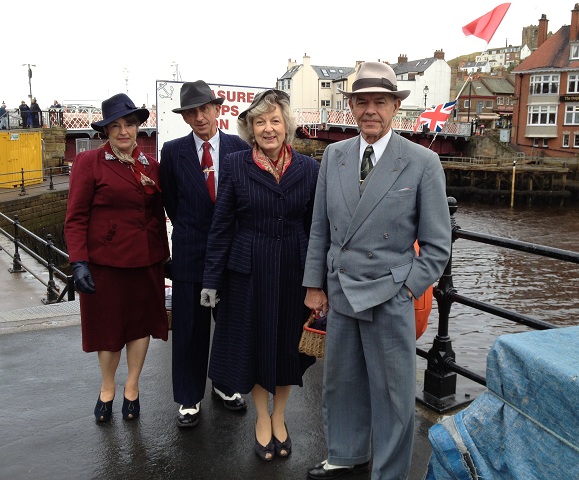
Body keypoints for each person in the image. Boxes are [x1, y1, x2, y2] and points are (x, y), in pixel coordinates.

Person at [302, 62, 452, 480]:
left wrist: (407, 289)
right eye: (362, 101)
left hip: (390, 294)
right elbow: (320, 227)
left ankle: (388, 472)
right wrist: (314, 285)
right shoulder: (335, 155)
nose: (370, 110)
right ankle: (346, 454)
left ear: (394, 108)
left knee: (393, 394)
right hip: (341, 290)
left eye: (379, 102)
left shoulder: (422, 162)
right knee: (341, 383)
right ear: (350, 106)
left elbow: (438, 245)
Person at [200, 89, 319, 461]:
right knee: (252, 345)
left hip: (292, 270)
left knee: (286, 346)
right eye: (260, 122)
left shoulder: (309, 169)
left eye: (275, 121)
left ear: (287, 127)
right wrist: (211, 280)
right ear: (250, 129)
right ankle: (261, 418)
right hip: (247, 271)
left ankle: (279, 416)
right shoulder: (235, 165)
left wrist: (319, 282)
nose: (268, 129)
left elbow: (317, 229)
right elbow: (221, 226)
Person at [64, 93, 170, 423]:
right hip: (105, 263)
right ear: (105, 131)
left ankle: (133, 388)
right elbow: (76, 216)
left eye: (130, 124)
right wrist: (78, 260)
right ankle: (107, 387)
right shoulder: (89, 163)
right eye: (116, 126)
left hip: (145, 261)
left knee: (139, 328)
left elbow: (157, 213)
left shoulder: (151, 166)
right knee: (108, 331)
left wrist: (166, 258)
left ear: (139, 127)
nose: (124, 131)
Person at [159, 80, 249, 428]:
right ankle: (188, 397)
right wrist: (192, 231)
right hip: (190, 253)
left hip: (231, 256)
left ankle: (225, 386)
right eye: (191, 112)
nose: (199, 117)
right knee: (189, 329)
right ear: (185, 118)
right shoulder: (173, 151)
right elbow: (171, 202)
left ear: (218, 109)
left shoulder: (239, 148)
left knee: (229, 327)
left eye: (205, 109)